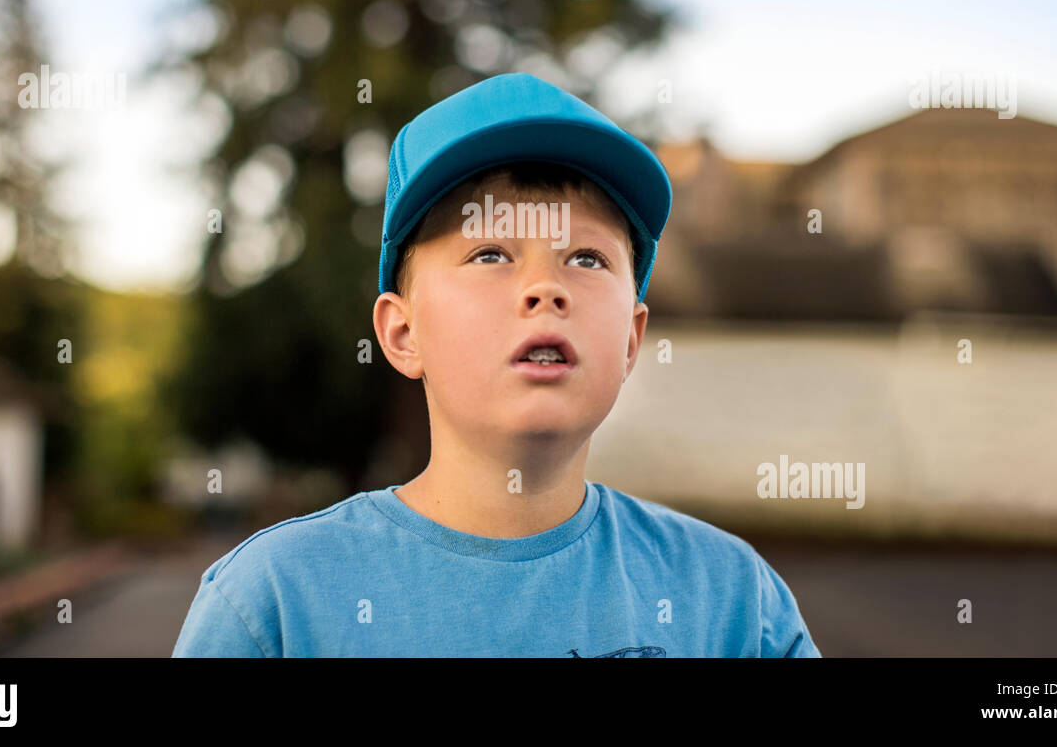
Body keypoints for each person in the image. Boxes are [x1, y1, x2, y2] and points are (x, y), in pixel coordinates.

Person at [172, 72, 821, 657]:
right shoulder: (274, 604)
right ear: (402, 334)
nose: (546, 289)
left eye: (587, 258)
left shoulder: (733, 603)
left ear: (630, 338)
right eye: (490, 254)